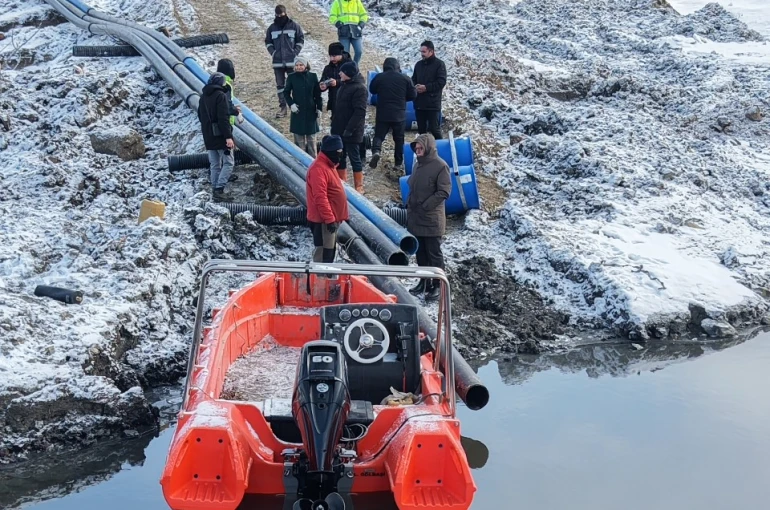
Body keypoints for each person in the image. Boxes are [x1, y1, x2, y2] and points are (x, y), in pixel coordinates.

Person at [405, 133, 451, 301]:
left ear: (429, 148)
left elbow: (444, 192)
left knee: (434, 253)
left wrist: (425, 205)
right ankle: (424, 281)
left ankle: (438, 285)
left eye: (420, 148)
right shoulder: (417, 165)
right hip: (416, 217)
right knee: (421, 253)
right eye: (416, 148)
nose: (417, 151)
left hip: (431, 219)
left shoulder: (441, 166)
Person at [306, 135, 349, 263]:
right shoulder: (319, 169)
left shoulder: (329, 165)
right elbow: (320, 197)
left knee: (329, 252)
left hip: (329, 219)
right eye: (339, 152)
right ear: (331, 151)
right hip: (323, 221)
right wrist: (329, 219)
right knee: (324, 253)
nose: (340, 156)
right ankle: (319, 274)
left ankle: (325, 273)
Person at [368, 57, 416, 172]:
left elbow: (372, 90)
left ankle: (376, 151)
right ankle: (398, 163)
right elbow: (413, 95)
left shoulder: (380, 77)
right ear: (397, 67)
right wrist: (403, 98)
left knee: (379, 135)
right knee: (399, 139)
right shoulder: (405, 78)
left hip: (383, 113)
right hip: (399, 114)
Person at [331, 61, 367, 192]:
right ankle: (342, 185)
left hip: (352, 131)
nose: (339, 73)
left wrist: (349, 129)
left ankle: (359, 187)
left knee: (354, 158)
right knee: (340, 157)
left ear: (349, 74)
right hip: (339, 129)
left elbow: (359, 112)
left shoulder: (360, 89)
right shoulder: (344, 86)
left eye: (342, 72)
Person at [198, 72, 235, 201]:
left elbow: (200, 116)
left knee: (214, 164)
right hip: (220, 135)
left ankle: (215, 189)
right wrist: (228, 137)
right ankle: (219, 189)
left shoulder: (203, 97)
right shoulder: (220, 96)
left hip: (208, 135)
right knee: (228, 162)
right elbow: (223, 118)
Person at [265, 5, 305, 118]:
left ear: (285, 13)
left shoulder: (294, 26)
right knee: (280, 86)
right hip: (277, 62)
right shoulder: (272, 28)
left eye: (281, 15)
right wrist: (273, 53)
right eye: (278, 15)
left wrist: (295, 52)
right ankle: (283, 108)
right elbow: (268, 42)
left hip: (292, 62)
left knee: (295, 84)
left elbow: (300, 39)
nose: (280, 17)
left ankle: (297, 106)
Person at [284, 57, 323, 157]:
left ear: (306, 65)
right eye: (297, 65)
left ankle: (313, 161)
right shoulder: (291, 77)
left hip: (311, 112)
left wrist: (319, 108)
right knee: (299, 143)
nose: (299, 67)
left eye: (301, 65)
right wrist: (291, 104)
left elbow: (317, 94)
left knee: (312, 142)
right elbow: (286, 93)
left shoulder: (313, 76)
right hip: (298, 112)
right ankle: (300, 161)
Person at [412, 40, 446, 140]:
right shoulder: (418, 65)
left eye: (424, 52)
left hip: (433, 104)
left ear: (431, 51)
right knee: (421, 130)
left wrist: (426, 87)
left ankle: (441, 147)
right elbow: (413, 79)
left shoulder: (439, 64)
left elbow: (441, 82)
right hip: (419, 103)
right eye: (421, 52)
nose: (422, 54)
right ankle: (424, 149)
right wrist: (415, 86)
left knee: (434, 129)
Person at [216, 58, 240, 183]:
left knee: (218, 152)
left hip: (216, 122)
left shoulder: (215, 81)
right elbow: (226, 104)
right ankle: (225, 175)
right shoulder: (226, 84)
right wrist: (235, 111)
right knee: (226, 150)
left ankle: (219, 176)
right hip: (226, 121)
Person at [328, 0, 369, 65]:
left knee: (359, 51)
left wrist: (361, 24)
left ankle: (354, 67)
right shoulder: (337, 2)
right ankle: (346, 68)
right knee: (345, 54)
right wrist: (338, 23)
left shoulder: (357, 1)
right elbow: (332, 16)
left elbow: (364, 14)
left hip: (356, 31)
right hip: (343, 31)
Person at [320, 42, 351, 117]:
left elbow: (355, 81)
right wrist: (323, 85)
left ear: (341, 54)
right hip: (334, 102)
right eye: (330, 56)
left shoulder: (350, 66)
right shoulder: (328, 68)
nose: (331, 59)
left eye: (334, 56)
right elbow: (323, 80)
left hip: (348, 102)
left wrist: (337, 82)